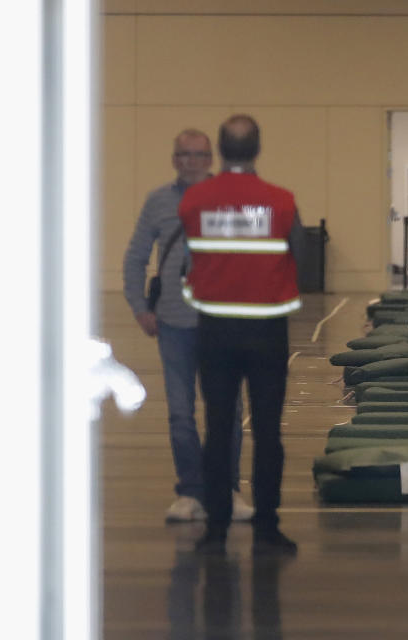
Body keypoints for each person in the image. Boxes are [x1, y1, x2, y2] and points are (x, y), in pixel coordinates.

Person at [179, 114, 307, 555]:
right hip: (267, 332)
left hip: (214, 331)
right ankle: (267, 528)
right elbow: (302, 260)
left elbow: (185, 261)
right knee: (268, 432)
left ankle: (216, 529)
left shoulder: (196, 200)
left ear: (220, 147)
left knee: (217, 428)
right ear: (257, 148)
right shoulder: (282, 201)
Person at [123, 129, 254, 523]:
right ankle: (191, 492)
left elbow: (249, 259)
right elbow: (135, 257)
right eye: (183, 154)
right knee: (180, 411)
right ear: (173, 158)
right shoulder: (158, 201)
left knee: (226, 410)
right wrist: (139, 307)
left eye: (198, 154)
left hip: (223, 324)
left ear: (210, 158)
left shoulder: (233, 199)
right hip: (174, 324)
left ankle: (227, 490)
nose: (190, 161)